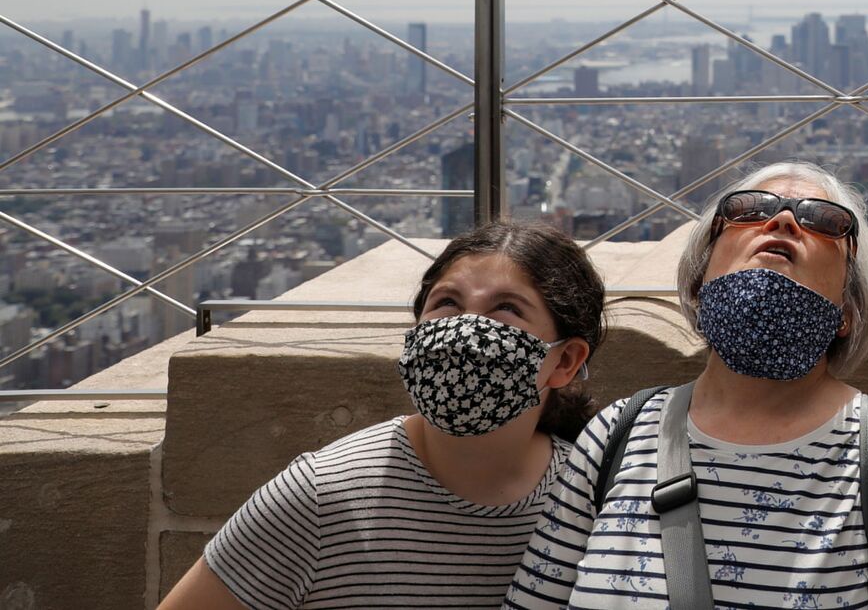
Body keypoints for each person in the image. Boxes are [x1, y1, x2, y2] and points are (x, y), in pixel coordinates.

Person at [506, 161, 868, 609]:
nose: (784, 220)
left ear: (847, 311)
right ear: (697, 282)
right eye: (749, 210)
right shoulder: (618, 434)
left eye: (824, 221)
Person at [159, 220, 604, 609]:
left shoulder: (594, 500)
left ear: (564, 361)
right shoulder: (322, 496)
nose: (465, 329)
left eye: (506, 309)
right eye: (446, 303)